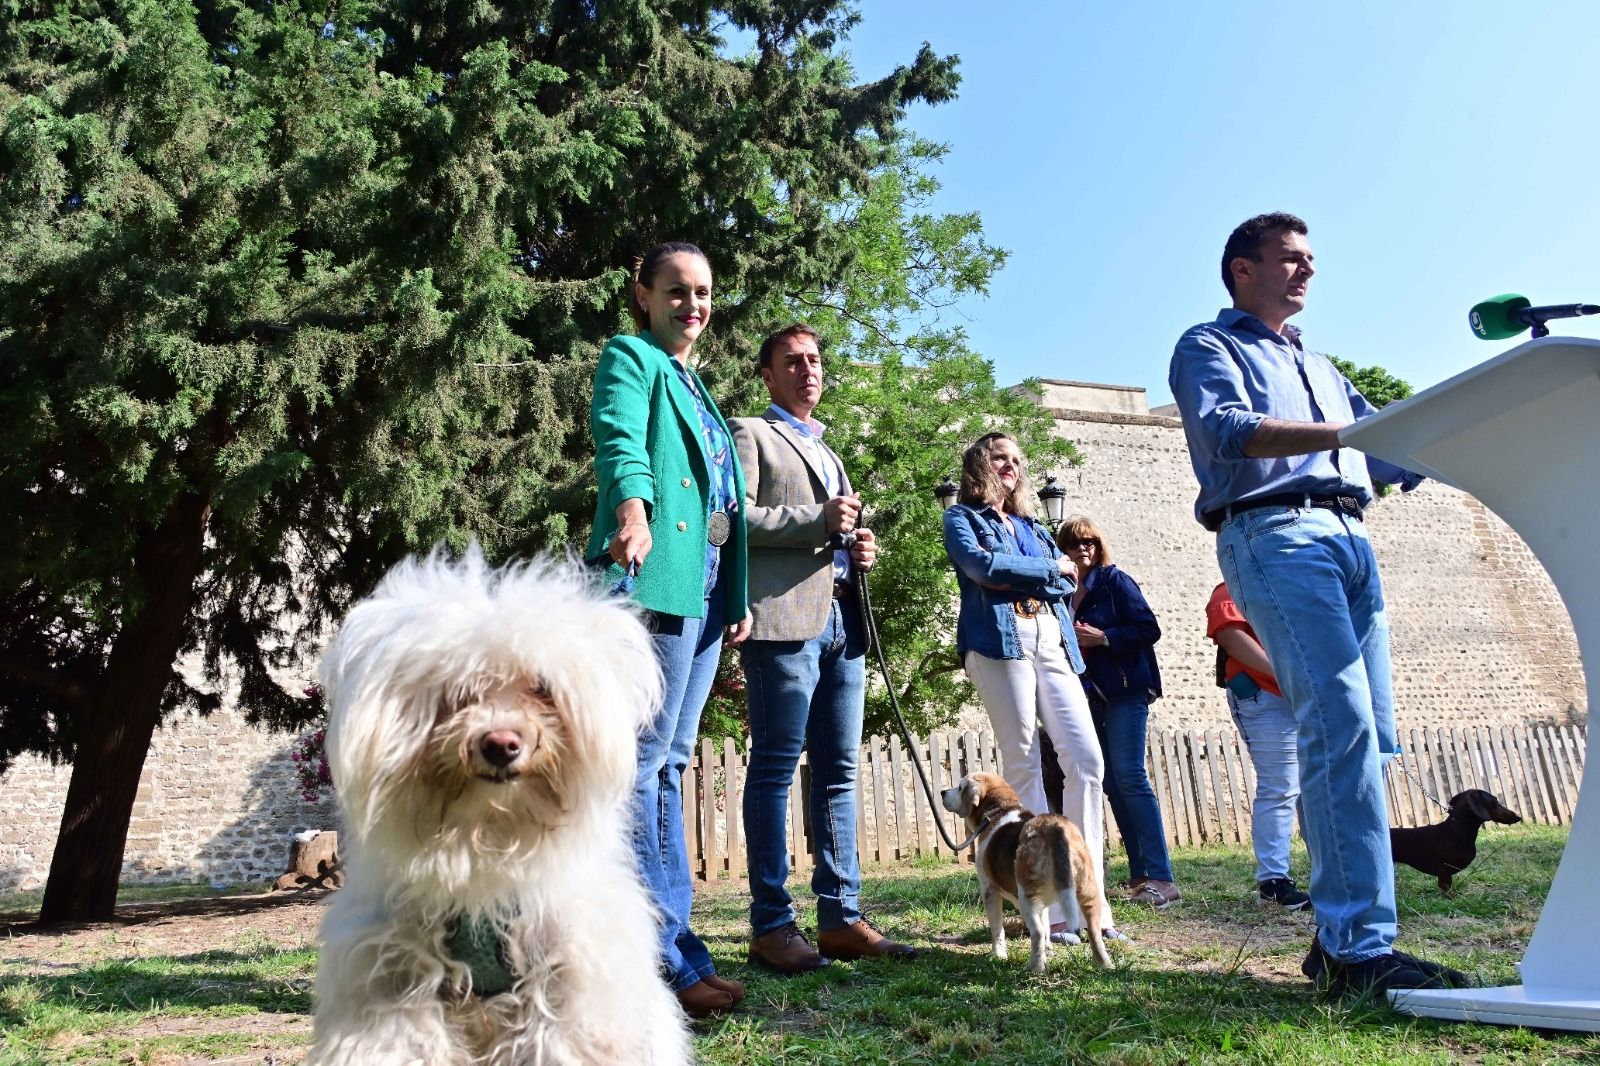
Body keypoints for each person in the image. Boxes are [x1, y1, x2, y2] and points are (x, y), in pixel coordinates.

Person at [1168, 212, 1463, 995]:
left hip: (1352, 538)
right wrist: (1344, 437)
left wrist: (1465, 437)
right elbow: (1227, 430)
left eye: (1311, 260)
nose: (1306, 272)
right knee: (1338, 727)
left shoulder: (1324, 366)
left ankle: (1350, 939)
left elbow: (1390, 448)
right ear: (1242, 270)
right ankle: (1356, 948)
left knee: (1370, 739)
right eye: (1290, 259)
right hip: (1276, 532)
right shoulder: (1209, 346)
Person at [586, 241, 752, 1018]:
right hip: (657, 575)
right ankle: (658, 960)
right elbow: (621, 440)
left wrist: (738, 593)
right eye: (677, 291)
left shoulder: (695, 383)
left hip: (706, 592)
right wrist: (632, 511)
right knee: (644, 766)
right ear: (643, 296)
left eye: (704, 293)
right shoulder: (633, 356)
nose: (693, 305)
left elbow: (724, 499)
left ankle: (675, 949)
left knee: (669, 764)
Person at [730, 324, 917, 973]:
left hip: (844, 621)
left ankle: (840, 918)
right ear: (768, 374)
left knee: (838, 771)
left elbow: (836, 535)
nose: (808, 369)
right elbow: (729, 521)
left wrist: (858, 549)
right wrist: (818, 523)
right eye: (793, 360)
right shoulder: (752, 435)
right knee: (777, 767)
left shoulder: (828, 449)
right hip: (783, 624)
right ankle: (771, 924)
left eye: (815, 360)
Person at [941, 432, 1123, 944]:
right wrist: (1046, 570)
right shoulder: (961, 519)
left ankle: (1089, 901)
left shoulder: (1032, 526)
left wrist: (1036, 574)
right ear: (979, 463)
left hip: (1052, 638)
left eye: (1017, 459)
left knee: (1087, 760)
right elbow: (982, 567)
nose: (1011, 466)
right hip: (999, 639)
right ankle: (1045, 907)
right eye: (1000, 457)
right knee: (1022, 760)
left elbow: (1068, 584)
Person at [1056, 516, 1179, 910]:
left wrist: (1105, 638)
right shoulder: (1061, 593)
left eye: (1089, 542)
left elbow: (1148, 628)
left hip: (1127, 690)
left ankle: (1163, 877)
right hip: (1092, 695)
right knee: (1110, 782)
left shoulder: (1115, 582)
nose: (1083, 550)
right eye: (1074, 544)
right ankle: (1141, 876)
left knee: (1130, 775)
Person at [1206, 580, 1312, 911]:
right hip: (1265, 698)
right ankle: (1273, 883)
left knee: (1313, 788)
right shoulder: (1232, 590)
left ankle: (1329, 872)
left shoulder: (1292, 590)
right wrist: (1288, 676)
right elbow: (1229, 635)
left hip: (1304, 699)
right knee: (1280, 788)